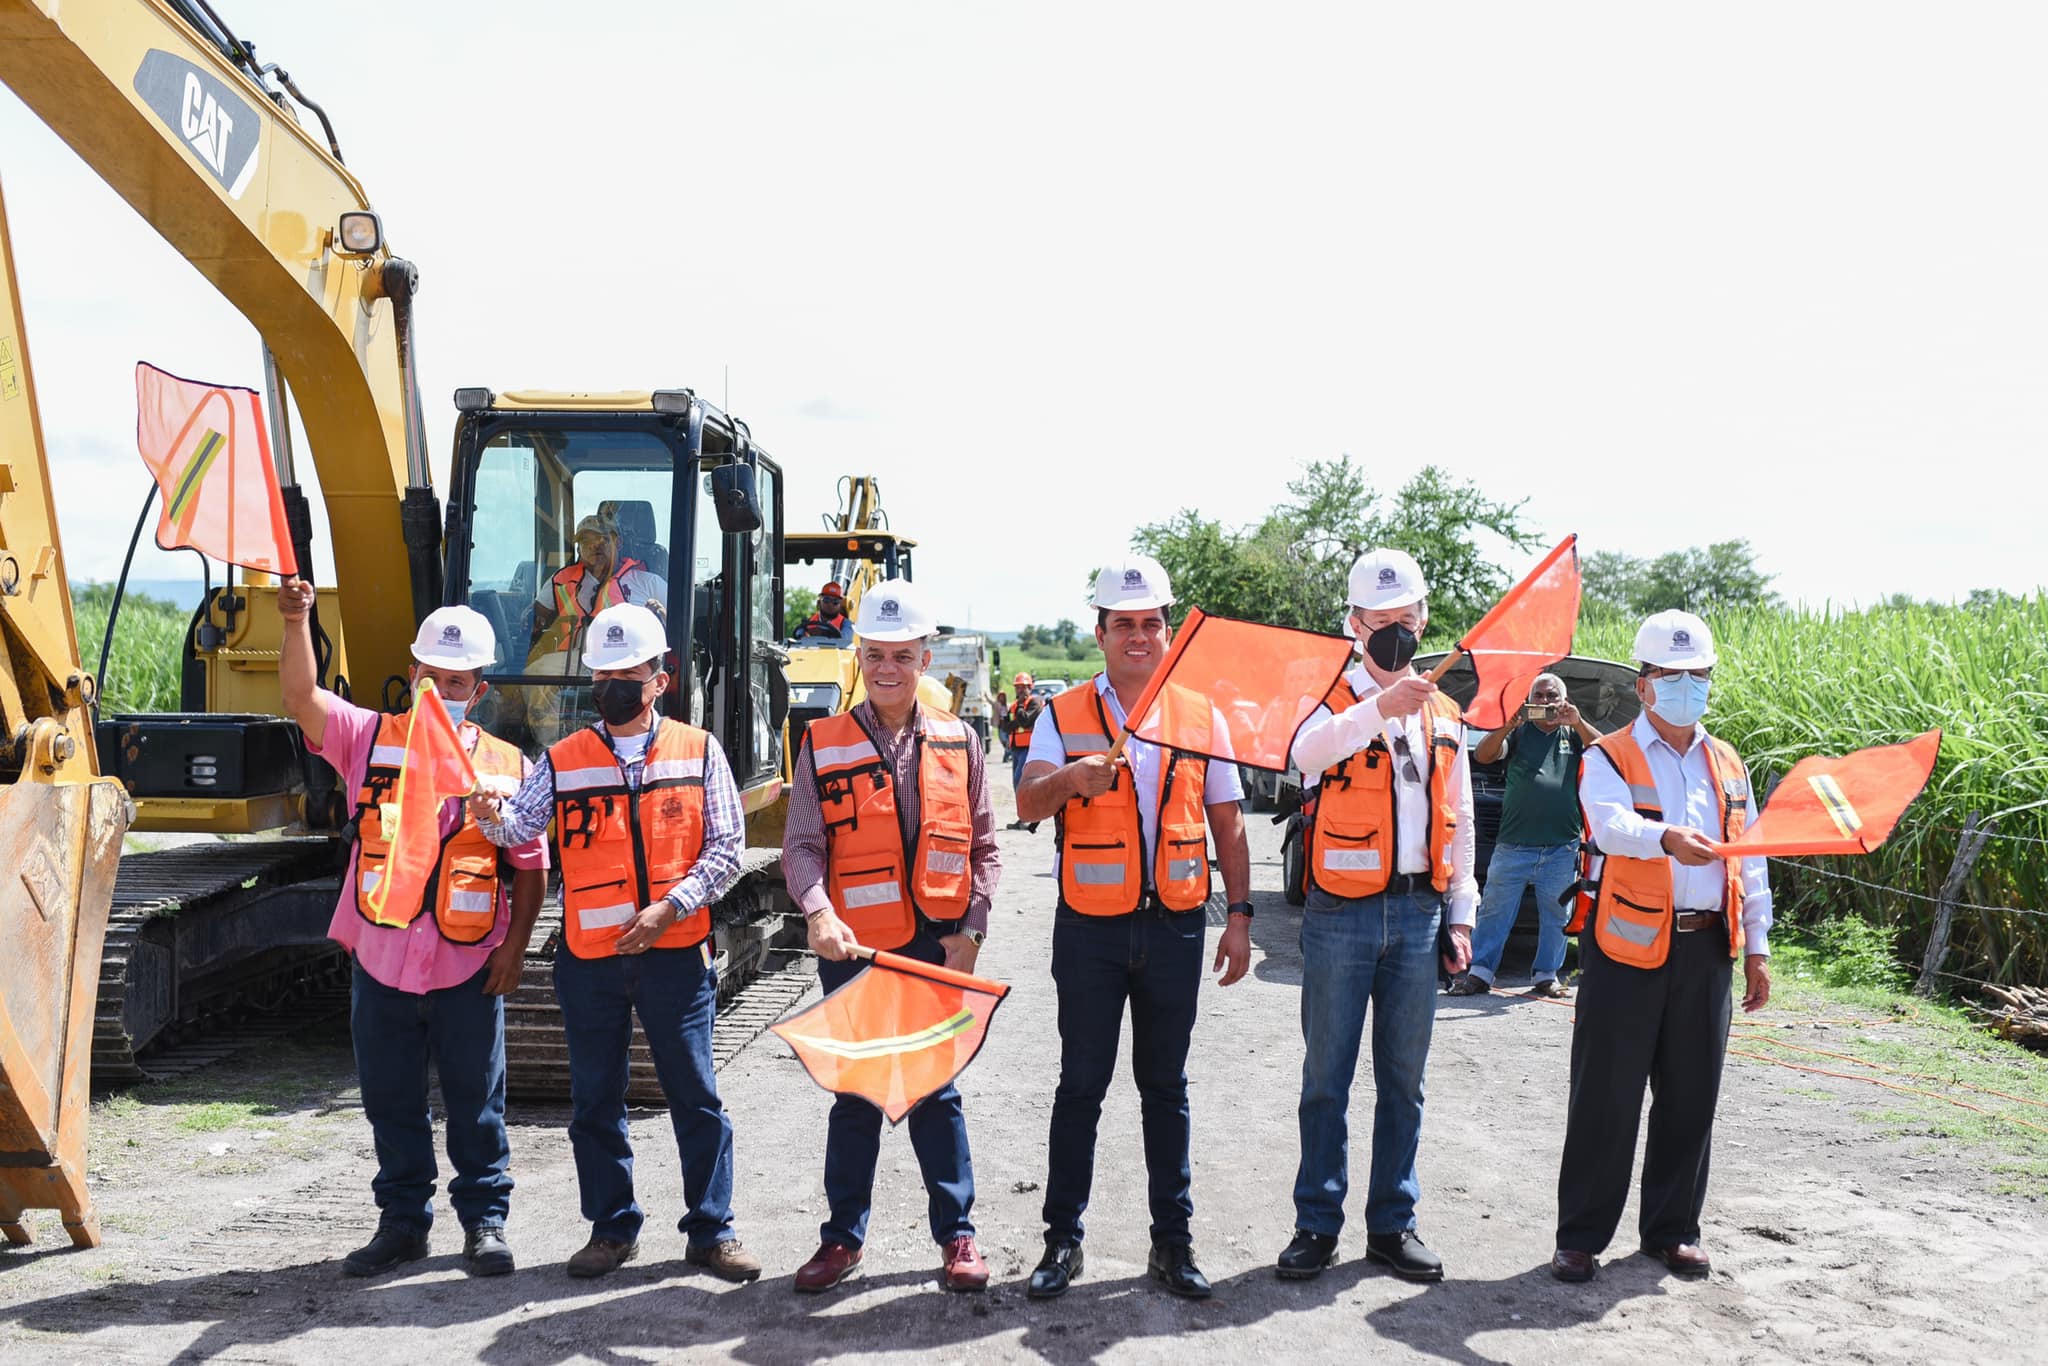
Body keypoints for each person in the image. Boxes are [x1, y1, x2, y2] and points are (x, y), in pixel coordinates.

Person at [468, 603, 760, 1284]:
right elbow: (520, 831)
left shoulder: (699, 750)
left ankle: (712, 1231)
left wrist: (670, 907)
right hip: (589, 962)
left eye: (628, 674)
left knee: (696, 1096)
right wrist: (490, 816)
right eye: (602, 675)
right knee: (595, 1101)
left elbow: (726, 849)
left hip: (674, 954)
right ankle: (610, 1228)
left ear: (661, 679)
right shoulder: (564, 759)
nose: (613, 687)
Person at [276, 583, 547, 1279]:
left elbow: (530, 867)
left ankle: (485, 1222)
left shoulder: (509, 765)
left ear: (478, 688)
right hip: (383, 958)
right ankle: (402, 1224)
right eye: (432, 675)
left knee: (476, 1104)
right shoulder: (367, 738)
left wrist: (515, 951)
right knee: (390, 1101)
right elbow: (303, 698)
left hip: (469, 963)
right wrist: (296, 619)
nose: (442, 689)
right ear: (413, 670)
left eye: (458, 681)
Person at [1015, 554, 1253, 1302]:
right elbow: (1026, 804)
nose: (1140, 636)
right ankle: (1062, 1241)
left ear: (1169, 629)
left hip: (1176, 928)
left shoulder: (1198, 714)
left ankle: (1172, 1243)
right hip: (1089, 930)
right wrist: (1069, 781)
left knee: (1166, 1090)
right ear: (1101, 632)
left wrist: (1239, 917)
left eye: (1153, 623)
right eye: (1125, 624)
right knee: (1080, 1085)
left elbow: (1229, 821)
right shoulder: (1062, 715)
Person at [783, 579, 1000, 1294]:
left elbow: (985, 849)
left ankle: (958, 1237)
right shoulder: (822, 741)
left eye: (902, 656)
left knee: (937, 1089)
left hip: (939, 945)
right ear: (857, 654)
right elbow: (803, 847)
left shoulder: (959, 739)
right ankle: (843, 1240)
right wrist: (818, 911)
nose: (887, 669)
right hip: (857, 947)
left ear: (926, 658)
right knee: (857, 1093)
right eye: (874, 654)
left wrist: (972, 929)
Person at [1551, 610, 1771, 1285]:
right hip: (1625, 947)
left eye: (1698, 676)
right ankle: (1581, 1237)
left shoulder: (1728, 761)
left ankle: (1674, 1231)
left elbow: (1753, 857)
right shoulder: (1607, 754)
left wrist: (1757, 946)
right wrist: (1666, 837)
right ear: (1644, 685)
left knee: (1691, 1095)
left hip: (1707, 949)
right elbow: (1611, 826)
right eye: (1673, 677)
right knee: (1606, 1095)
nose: (1687, 687)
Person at [1275, 548, 1476, 1285]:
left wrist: (1462, 912)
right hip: (1340, 916)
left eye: (1405, 618)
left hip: (1421, 912)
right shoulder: (1329, 697)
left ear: (1423, 618)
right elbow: (1301, 756)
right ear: (1354, 624)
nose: (1394, 631)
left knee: (1404, 1082)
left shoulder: (1447, 711)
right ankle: (1315, 1226)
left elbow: (1459, 820)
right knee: (1325, 1079)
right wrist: (1375, 711)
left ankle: (1393, 1224)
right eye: (1379, 620)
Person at [1451, 672, 1602, 998]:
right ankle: (1480, 973)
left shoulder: (1571, 734)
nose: (1545, 702)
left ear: (1563, 700)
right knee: (1494, 909)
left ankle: (1546, 976)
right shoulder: (1519, 732)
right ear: (1529, 699)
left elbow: (1604, 751)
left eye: (1552, 696)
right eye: (1539, 696)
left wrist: (1577, 722)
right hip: (1513, 844)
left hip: (1561, 846)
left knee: (1556, 913)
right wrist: (1508, 724)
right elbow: (1484, 755)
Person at [533, 514, 668, 657]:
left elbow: (678, 628)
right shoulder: (560, 582)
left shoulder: (649, 583)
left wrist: (659, 617)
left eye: (603, 538)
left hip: (630, 665)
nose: (595, 545)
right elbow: (532, 621)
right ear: (578, 550)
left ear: (619, 543)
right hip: (571, 670)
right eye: (586, 540)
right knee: (532, 672)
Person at [1003, 672, 1043, 812]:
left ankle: (1029, 813)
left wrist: (1020, 710)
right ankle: (1023, 814)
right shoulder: (1014, 706)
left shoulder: (1035, 702)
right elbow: (1005, 726)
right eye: (1017, 687)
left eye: (1023, 687)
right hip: (1016, 749)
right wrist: (1018, 721)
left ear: (1030, 687)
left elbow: (1026, 721)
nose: (1020, 690)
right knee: (1016, 782)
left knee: (1022, 780)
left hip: (1029, 748)